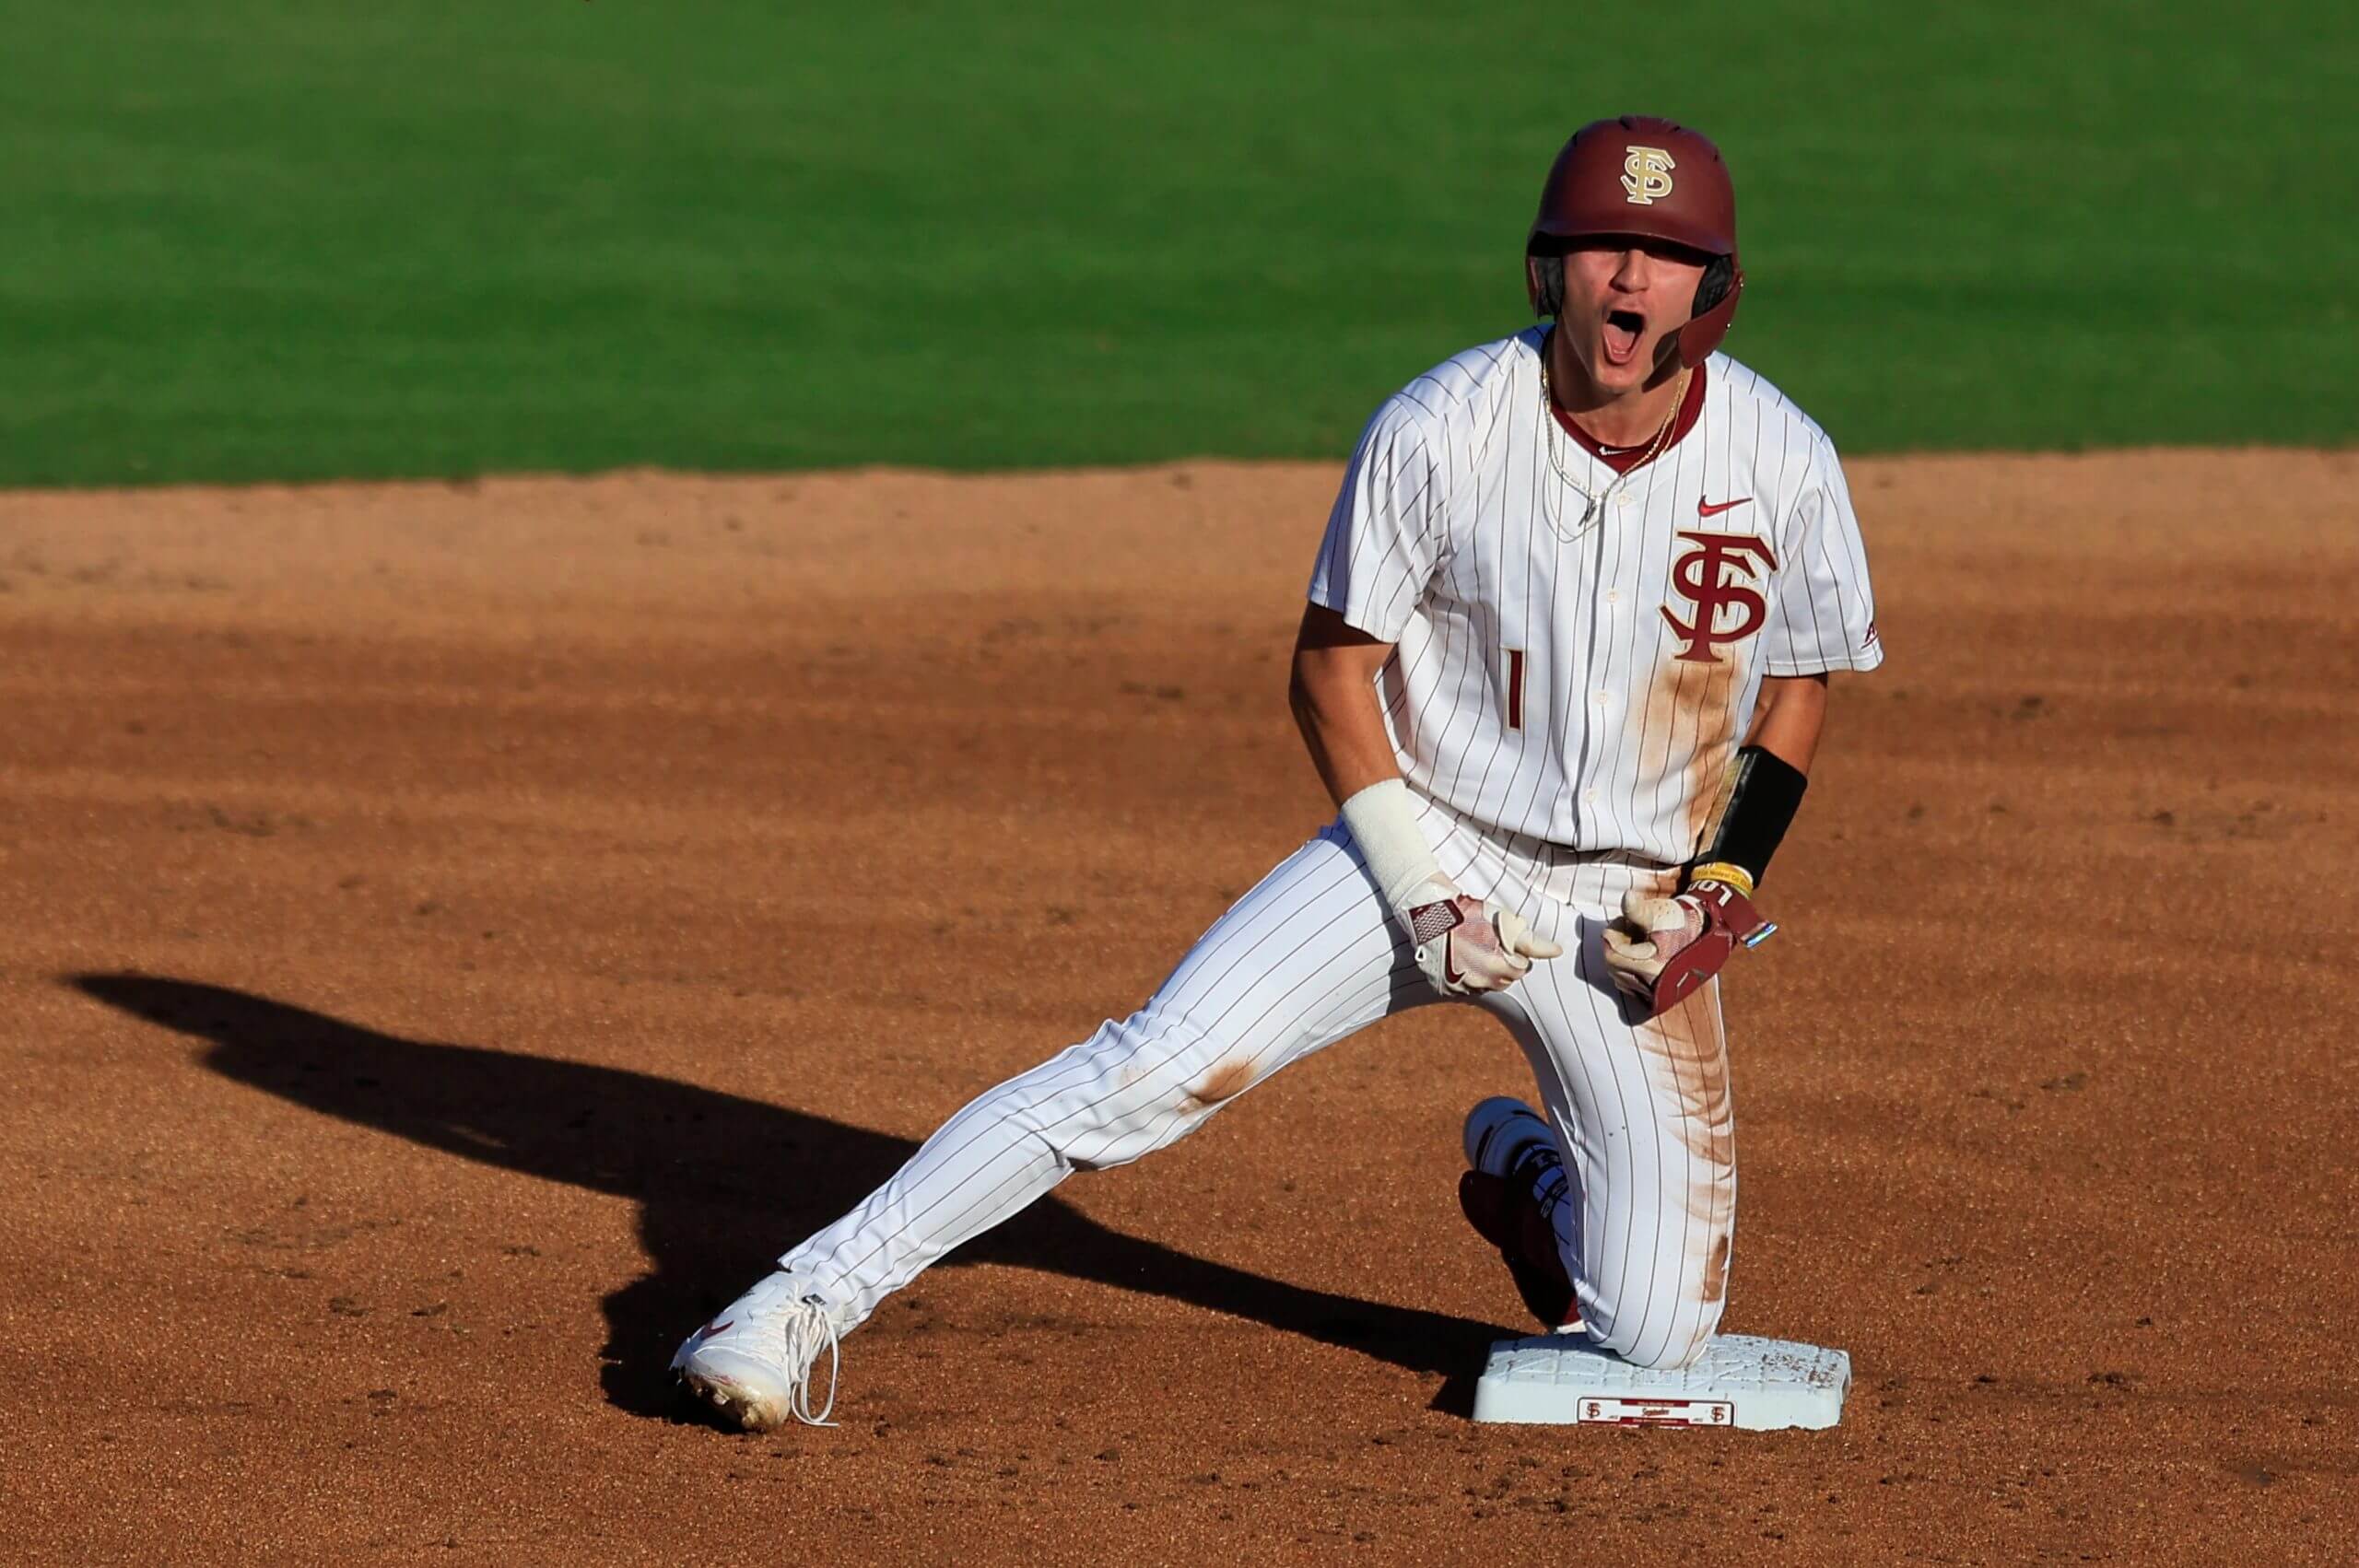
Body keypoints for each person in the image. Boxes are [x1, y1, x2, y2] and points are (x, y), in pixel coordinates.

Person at [671, 115, 1883, 1431]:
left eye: (1662, 253)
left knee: (1656, 1331)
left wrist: (1718, 883)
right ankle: (791, 1303)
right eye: (1602, 246)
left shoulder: (1780, 459)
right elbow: (1329, 668)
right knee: (1148, 1070)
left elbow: (1799, 683)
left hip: (1626, 902)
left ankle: (1534, 1183)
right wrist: (1423, 888)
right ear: (1551, 270)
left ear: (1711, 289)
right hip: (1423, 837)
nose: (1629, 280)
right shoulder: (1444, 427)